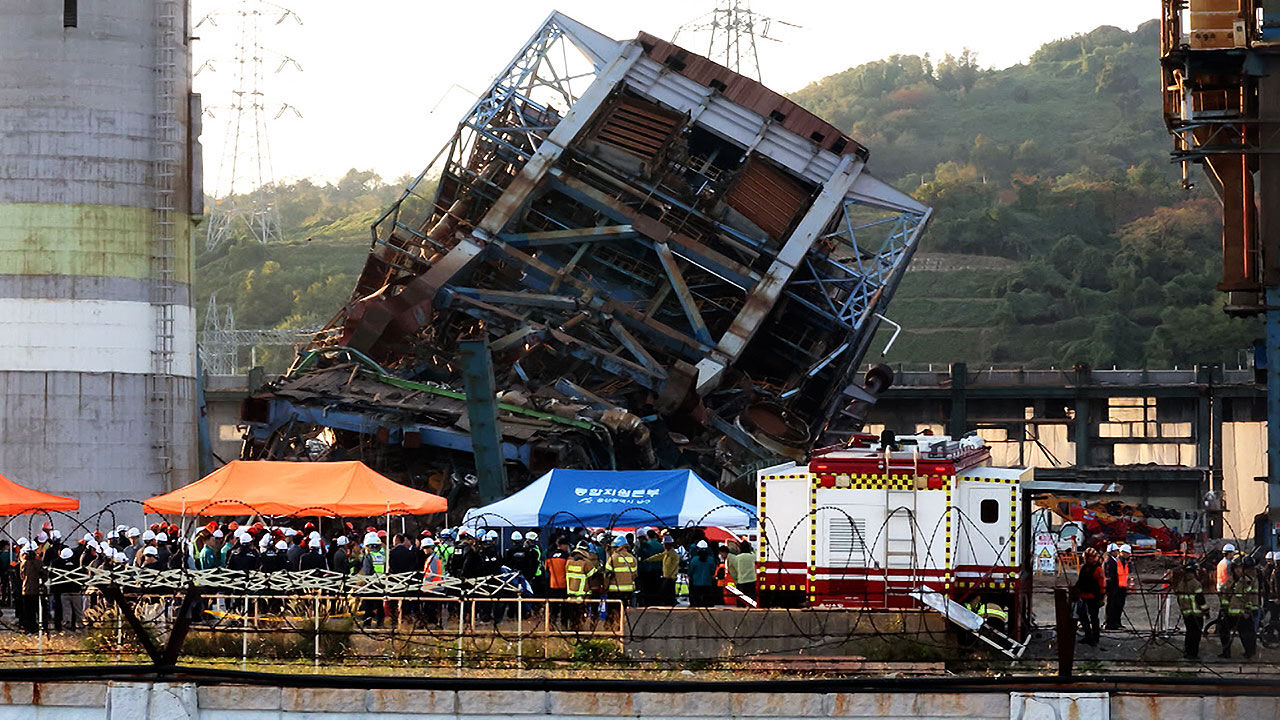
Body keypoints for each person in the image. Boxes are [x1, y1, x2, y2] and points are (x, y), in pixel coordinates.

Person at [1171, 560, 1208, 660]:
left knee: (1189, 633)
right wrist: (1206, 610)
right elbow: (1200, 599)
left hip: (1186, 613)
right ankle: (1193, 655)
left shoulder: (1181, 583)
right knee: (1196, 635)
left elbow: (1179, 599)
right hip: (1196, 614)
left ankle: (1187, 653)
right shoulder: (1195, 583)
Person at [1074, 547, 1105, 646]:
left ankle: (1095, 638)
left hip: (1094, 597)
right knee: (1083, 616)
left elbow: (1102, 585)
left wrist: (1101, 598)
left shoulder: (1098, 569)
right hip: (1083, 596)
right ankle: (1088, 635)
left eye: (1088, 558)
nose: (1086, 560)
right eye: (1086, 558)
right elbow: (1080, 581)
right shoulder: (1084, 568)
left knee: (1094, 617)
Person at [564, 543, 598, 628]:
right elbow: (594, 577)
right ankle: (579, 631)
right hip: (583, 595)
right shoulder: (586, 563)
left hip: (570, 595)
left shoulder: (568, 562)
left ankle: (572, 631)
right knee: (580, 617)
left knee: (573, 617)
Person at [645, 535, 682, 606]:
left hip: (670, 578)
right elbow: (659, 556)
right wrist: (648, 560)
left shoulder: (674, 555)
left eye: (664, 544)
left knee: (669, 593)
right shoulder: (666, 553)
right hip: (666, 576)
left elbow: (675, 567)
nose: (663, 546)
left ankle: (671, 603)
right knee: (665, 593)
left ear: (668, 544)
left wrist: (671, 576)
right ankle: (668, 603)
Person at [605, 536, 638, 609]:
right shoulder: (632, 558)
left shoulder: (613, 558)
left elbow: (607, 576)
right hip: (628, 591)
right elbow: (634, 575)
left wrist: (605, 588)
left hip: (615, 590)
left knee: (614, 611)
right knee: (624, 610)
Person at [1103, 542, 1129, 630]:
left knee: (1116, 605)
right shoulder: (1110, 561)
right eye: (1116, 551)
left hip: (1118, 586)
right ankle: (1110, 623)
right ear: (1112, 551)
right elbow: (1111, 575)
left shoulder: (1115, 561)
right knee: (1111, 605)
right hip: (1113, 587)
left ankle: (1115, 623)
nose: (1117, 552)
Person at [687, 540, 719, 607]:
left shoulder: (694, 560)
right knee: (707, 603)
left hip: (696, 584)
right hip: (707, 584)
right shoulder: (710, 560)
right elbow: (713, 571)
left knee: (697, 603)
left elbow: (690, 572)